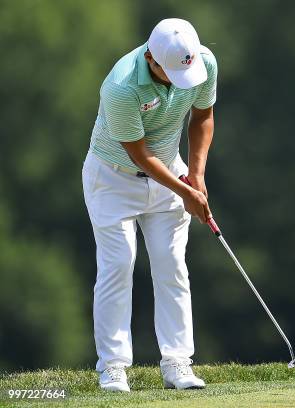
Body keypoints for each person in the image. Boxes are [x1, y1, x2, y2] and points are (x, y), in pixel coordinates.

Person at [81, 18, 217, 392]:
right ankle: (112, 367)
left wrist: (198, 177)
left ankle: (177, 362)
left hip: (169, 171)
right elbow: (139, 155)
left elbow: (203, 117)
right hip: (112, 179)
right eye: (170, 73)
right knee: (119, 263)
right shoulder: (121, 86)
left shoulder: (201, 62)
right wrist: (185, 191)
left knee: (171, 263)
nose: (178, 81)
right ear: (151, 59)